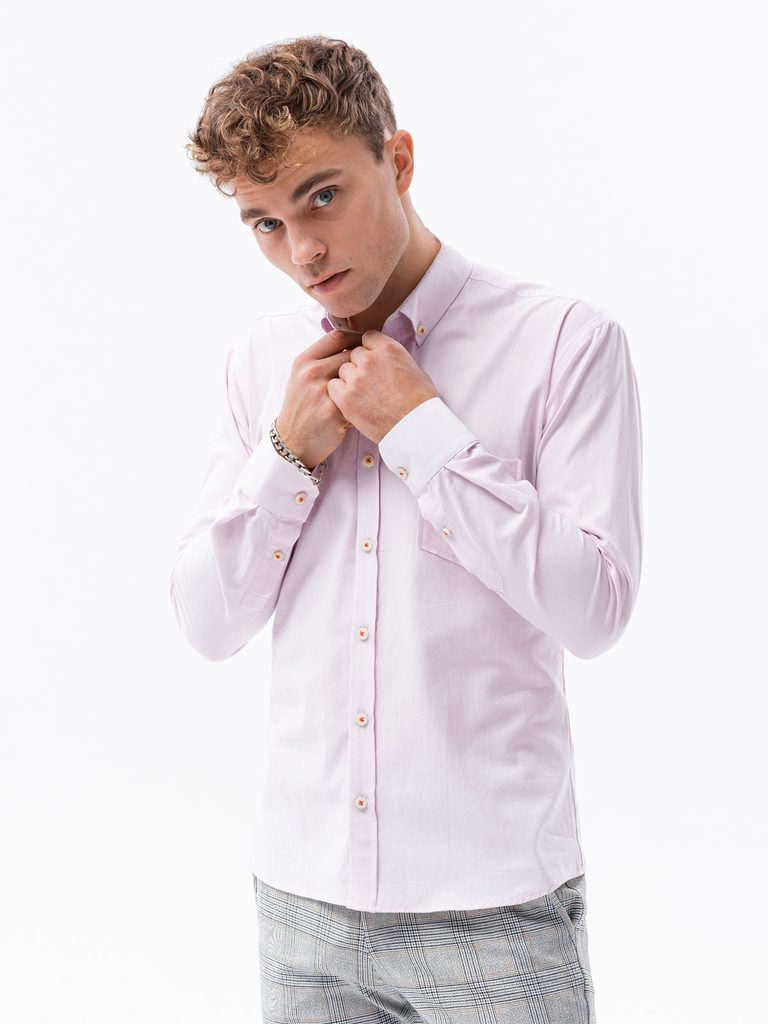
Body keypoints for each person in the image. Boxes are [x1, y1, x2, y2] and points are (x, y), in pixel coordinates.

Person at [170, 33, 643, 1024]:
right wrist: (287, 455)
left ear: (399, 159)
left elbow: (596, 610)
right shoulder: (261, 361)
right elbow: (207, 624)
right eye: (265, 222)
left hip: (492, 909)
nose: (301, 250)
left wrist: (423, 431)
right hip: (300, 905)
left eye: (323, 196)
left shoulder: (564, 343)